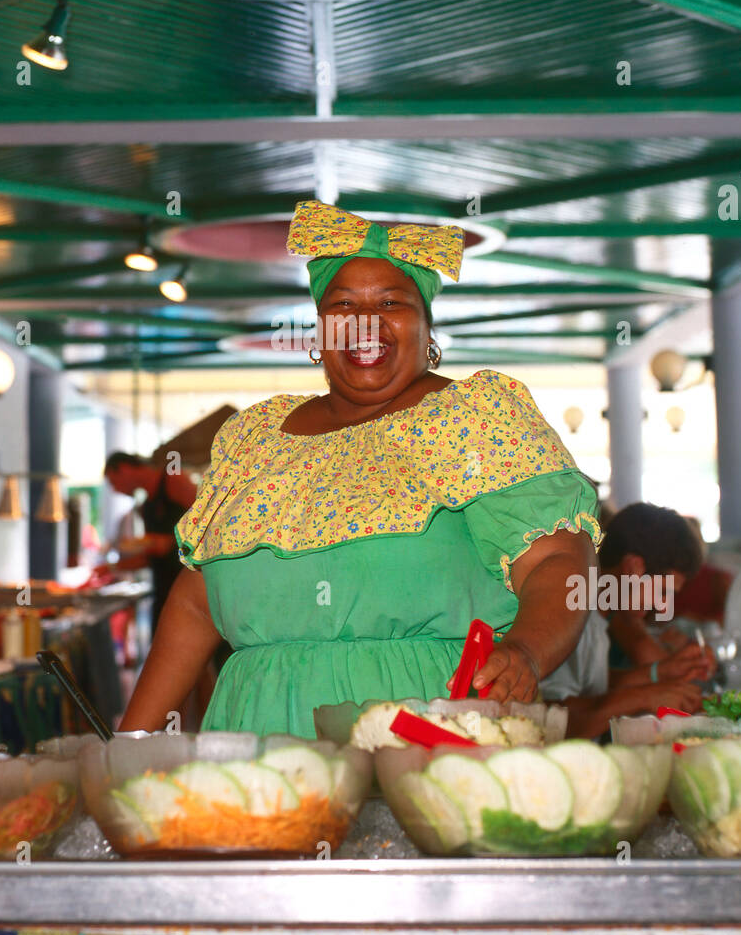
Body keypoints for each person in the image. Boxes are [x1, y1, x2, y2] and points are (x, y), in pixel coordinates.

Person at [118, 201, 601, 737]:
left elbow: (558, 559)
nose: (364, 322)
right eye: (342, 305)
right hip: (255, 738)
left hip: (424, 740)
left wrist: (526, 652)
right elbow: (197, 603)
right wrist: (130, 744)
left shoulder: (477, 416)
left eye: (392, 302)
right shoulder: (253, 437)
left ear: (428, 332)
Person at [538, 502, 715, 738]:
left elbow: (592, 688)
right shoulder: (569, 616)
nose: (664, 605)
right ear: (633, 567)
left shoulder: (596, 618)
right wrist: (645, 696)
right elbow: (548, 719)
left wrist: (661, 673)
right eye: (664, 591)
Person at [105, 452, 198, 631]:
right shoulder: (146, 506)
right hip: (164, 592)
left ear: (124, 469)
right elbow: (151, 556)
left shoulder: (173, 480)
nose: (115, 490)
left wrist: (171, 542)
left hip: (189, 590)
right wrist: (111, 568)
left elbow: (211, 522)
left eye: (113, 482)